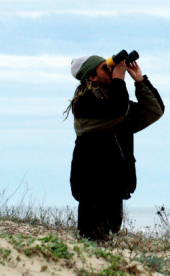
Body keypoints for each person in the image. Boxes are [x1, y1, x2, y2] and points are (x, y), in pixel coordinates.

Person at [65, 54, 164, 241]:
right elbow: (116, 111)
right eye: (105, 67)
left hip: (115, 187)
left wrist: (140, 81)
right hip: (92, 188)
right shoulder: (84, 102)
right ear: (92, 77)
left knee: (109, 241)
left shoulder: (117, 103)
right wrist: (119, 80)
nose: (111, 70)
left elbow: (154, 111)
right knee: (92, 242)